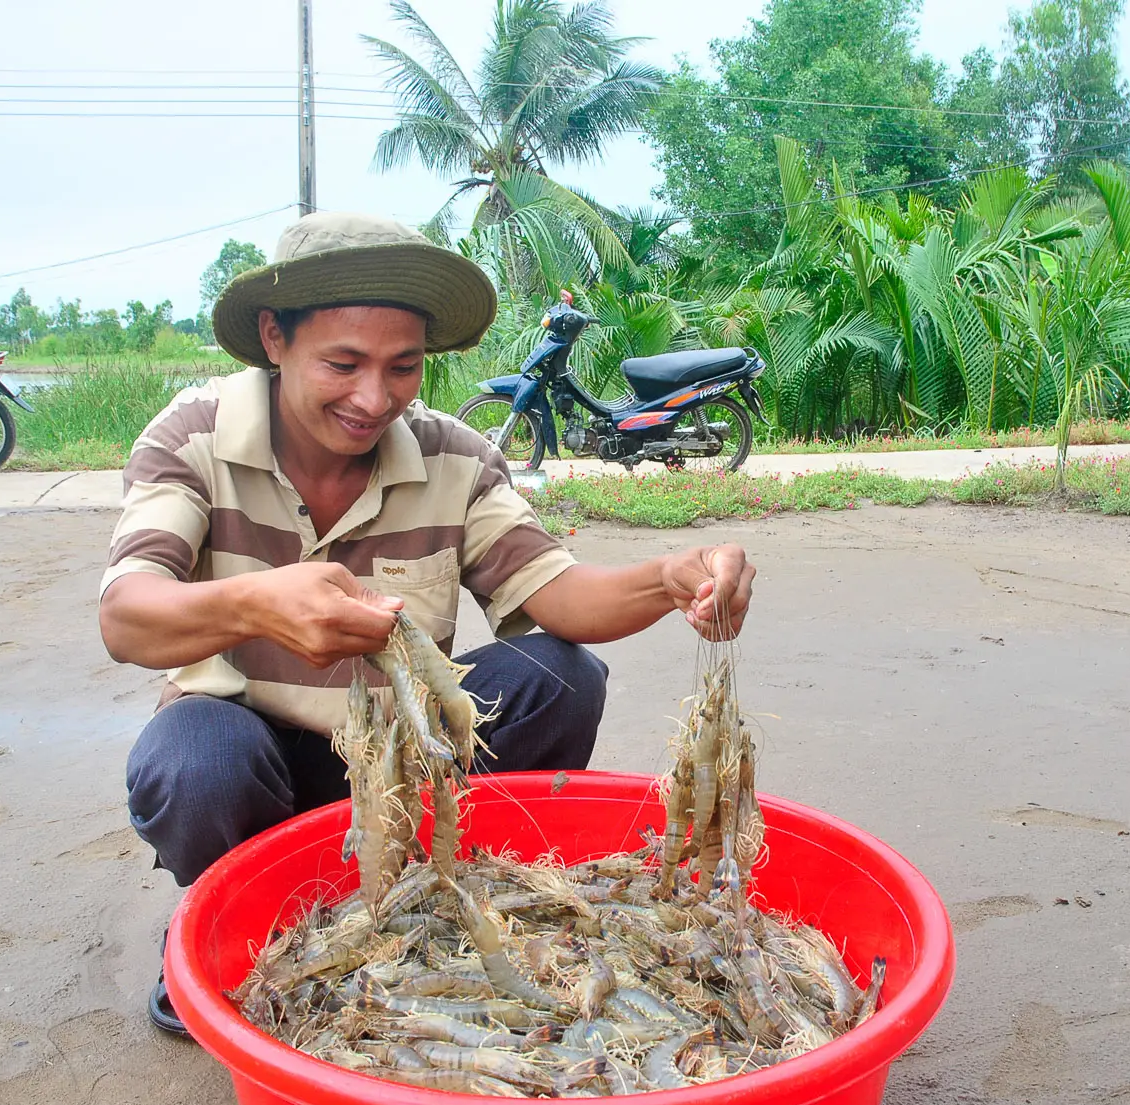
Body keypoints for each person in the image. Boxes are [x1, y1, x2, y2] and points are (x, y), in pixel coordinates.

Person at [99, 212, 755, 1037]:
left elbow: (558, 595)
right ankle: (229, 918)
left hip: (410, 756)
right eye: (342, 364)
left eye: (402, 367)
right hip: (249, 753)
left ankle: (432, 881)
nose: (373, 398)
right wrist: (255, 602)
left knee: (562, 675)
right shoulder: (191, 435)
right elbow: (127, 615)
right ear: (274, 336)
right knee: (194, 760)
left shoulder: (455, 454)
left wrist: (667, 579)